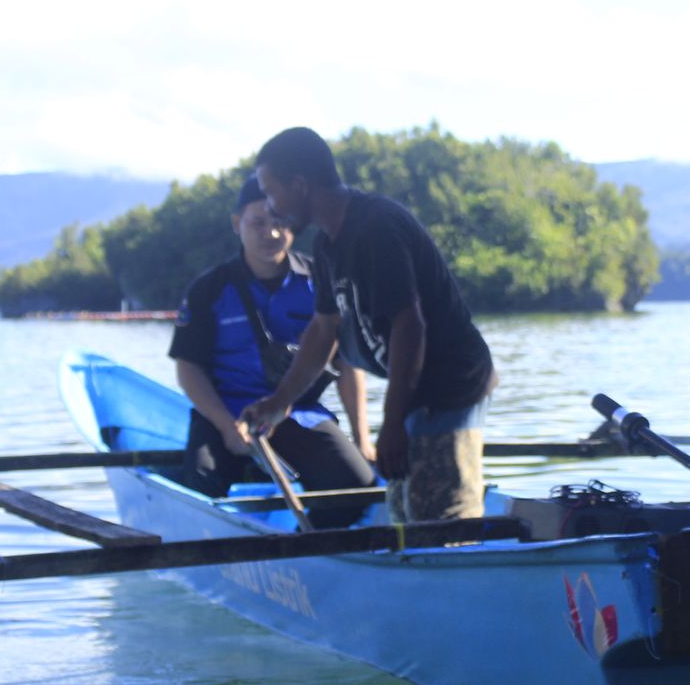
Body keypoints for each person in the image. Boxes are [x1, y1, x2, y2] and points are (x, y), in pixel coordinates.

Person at [241, 127, 496, 523]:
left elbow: (409, 329)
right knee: (403, 512)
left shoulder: (375, 229)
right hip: (414, 394)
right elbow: (323, 330)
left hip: (451, 386)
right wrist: (279, 403)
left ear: (299, 184)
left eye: (271, 192)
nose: (271, 206)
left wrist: (391, 424)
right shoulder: (328, 244)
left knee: (441, 519)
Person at [169, 174, 376, 526]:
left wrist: (362, 440)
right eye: (258, 222)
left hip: (299, 412)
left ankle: (309, 551)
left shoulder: (319, 278)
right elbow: (188, 369)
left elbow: (347, 364)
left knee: (357, 487)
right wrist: (225, 426)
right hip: (227, 414)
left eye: (280, 222)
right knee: (203, 486)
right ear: (237, 224)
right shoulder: (210, 289)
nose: (271, 233)